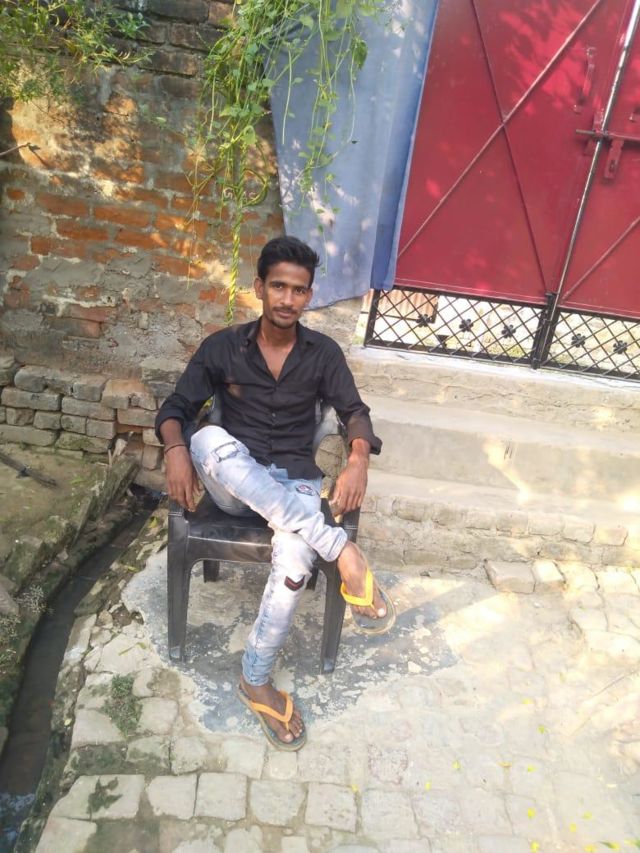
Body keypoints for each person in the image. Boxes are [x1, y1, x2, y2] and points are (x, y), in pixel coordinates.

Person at [155, 235, 395, 750]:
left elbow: (355, 412)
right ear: (259, 287)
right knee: (206, 439)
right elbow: (176, 408)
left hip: (295, 481)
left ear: (309, 296)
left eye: (299, 290)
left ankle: (255, 679)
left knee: (294, 559)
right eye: (279, 286)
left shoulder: (323, 354)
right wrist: (175, 449)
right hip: (234, 486)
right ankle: (340, 548)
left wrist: (358, 460)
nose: (288, 299)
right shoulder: (222, 347)